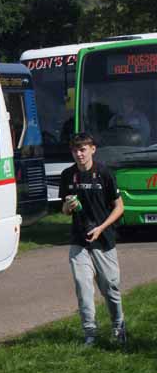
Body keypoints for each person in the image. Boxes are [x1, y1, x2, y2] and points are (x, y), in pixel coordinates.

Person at [59, 132, 127, 347]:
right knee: (82, 285)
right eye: (75, 150)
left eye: (83, 149)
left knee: (110, 287)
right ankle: (90, 332)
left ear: (92, 150)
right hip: (79, 240)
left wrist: (101, 228)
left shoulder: (104, 173)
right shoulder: (68, 175)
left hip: (103, 239)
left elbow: (119, 207)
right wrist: (67, 207)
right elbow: (63, 210)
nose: (79, 154)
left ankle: (118, 325)